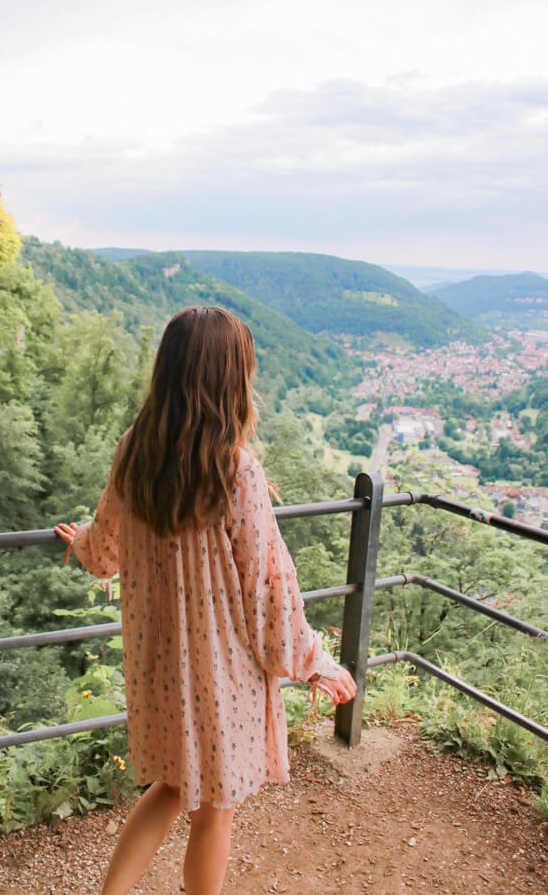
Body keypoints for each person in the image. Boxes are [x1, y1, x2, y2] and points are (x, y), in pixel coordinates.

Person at [55, 306, 356, 895]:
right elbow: (269, 592)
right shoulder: (235, 473)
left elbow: (106, 549)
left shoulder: (133, 451)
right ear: (226, 382)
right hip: (222, 676)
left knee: (169, 785)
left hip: (160, 667)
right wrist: (315, 662)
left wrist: (83, 545)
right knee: (215, 808)